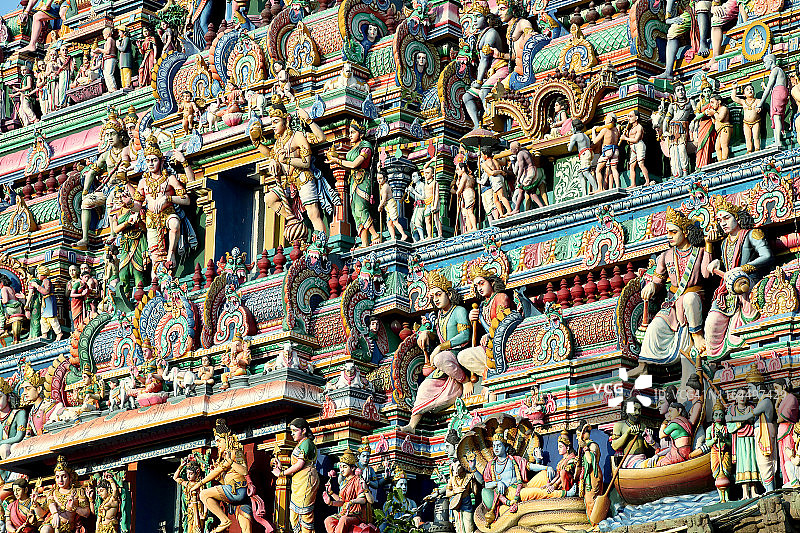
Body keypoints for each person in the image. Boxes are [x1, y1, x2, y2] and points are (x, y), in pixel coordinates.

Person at [634, 207, 710, 383]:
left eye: (673, 232)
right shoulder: (666, 256)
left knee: (689, 299)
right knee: (654, 327)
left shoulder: (699, 252)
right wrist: (652, 286)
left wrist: (708, 246)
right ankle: (644, 365)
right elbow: (658, 280)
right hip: (674, 303)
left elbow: (706, 275)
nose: (669, 236)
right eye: (668, 232)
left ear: (685, 232)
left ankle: (697, 335)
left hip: (695, 298)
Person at [400, 270, 473, 434]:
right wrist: (425, 333)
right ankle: (412, 425)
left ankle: (465, 381)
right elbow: (433, 332)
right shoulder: (439, 315)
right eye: (433, 296)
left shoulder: (459, 311)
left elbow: (465, 335)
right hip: (443, 365)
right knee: (423, 388)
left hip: (457, 357)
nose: (436, 299)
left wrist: (441, 346)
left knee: (440, 358)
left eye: (439, 294)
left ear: (449, 294)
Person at [705, 196, 772, 361]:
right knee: (711, 322)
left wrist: (743, 269)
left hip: (749, 283)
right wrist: (718, 263)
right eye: (719, 220)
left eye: (726, 218)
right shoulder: (724, 243)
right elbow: (725, 265)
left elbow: (767, 256)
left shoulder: (751, 234)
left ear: (738, 218)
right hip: (728, 290)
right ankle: (715, 359)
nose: (723, 223)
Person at [134, 136, 193, 274]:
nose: (150, 164)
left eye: (154, 160)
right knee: (155, 258)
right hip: (151, 220)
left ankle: (171, 253)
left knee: (175, 224)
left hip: (168, 213)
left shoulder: (170, 179)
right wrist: (129, 204)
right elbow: (137, 205)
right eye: (148, 160)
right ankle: (158, 281)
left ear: (161, 161)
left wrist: (168, 198)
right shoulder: (143, 183)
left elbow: (186, 200)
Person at [192, 420, 255, 533]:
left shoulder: (235, 452)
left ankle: (224, 520)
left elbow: (244, 471)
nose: (217, 444)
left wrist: (199, 484)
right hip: (236, 495)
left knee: (204, 494)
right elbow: (224, 477)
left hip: (238, 490)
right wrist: (220, 478)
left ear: (227, 439)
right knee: (246, 529)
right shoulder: (226, 457)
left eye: (219, 441)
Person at [328, 120, 381, 248]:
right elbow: (350, 166)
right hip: (353, 180)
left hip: (363, 179)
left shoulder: (366, 147)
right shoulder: (353, 148)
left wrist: (337, 161)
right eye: (349, 133)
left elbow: (354, 164)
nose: (350, 135)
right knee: (355, 212)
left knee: (361, 209)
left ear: (361, 134)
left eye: (353, 132)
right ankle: (364, 242)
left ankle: (375, 235)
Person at [727, 366, 778, 493]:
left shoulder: (764, 402)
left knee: (765, 464)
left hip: (764, 434)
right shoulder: (760, 401)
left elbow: (748, 416)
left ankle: (770, 490)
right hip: (757, 436)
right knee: (762, 464)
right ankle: (768, 490)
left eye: (750, 388)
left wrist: (731, 419)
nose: (749, 392)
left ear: (757, 387)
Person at [468, 429, 523, 526]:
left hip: (516, 491)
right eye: (494, 446)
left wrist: (545, 467)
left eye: (499, 445)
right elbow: (484, 483)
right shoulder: (491, 465)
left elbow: (529, 466)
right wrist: (473, 469)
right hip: (500, 496)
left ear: (506, 447)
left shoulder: (514, 460)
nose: (496, 448)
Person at [273, 418, 319, 533]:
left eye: (295, 431)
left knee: (305, 513)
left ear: (304, 430)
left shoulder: (306, 443)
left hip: (307, 479)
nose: (292, 434)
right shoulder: (300, 444)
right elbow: (296, 466)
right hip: (298, 481)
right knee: (294, 515)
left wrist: (281, 473)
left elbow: (299, 464)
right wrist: (281, 467)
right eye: (291, 431)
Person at [322, 449, 374, 533]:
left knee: (343, 520)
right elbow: (342, 501)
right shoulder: (344, 483)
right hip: (344, 512)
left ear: (352, 468)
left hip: (356, 514)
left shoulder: (357, 480)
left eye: (345, 467)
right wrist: (331, 499)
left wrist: (352, 502)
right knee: (328, 520)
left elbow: (363, 500)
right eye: (341, 467)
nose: (342, 470)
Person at [691, 401, 732, 502]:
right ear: (713, 417)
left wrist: (723, 439)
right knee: (717, 474)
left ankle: (727, 497)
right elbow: (708, 443)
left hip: (725, 453)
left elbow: (731, 443)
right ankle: (721, 498)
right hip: (715, 453)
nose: (718, 417)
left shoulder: (726, 428)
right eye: (716, 415)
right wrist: (715, 439)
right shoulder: (710, 429)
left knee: (726, 473)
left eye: (721, 415)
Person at [40, 456, 91, 533]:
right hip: (52, 524)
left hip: (68, 527)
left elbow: (86, 513)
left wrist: (74, 508)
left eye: (64, 476)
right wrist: (35, 504)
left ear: (70, 478)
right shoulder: (52, 492)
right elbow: (42, 514)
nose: (60, 480)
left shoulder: (78, 492)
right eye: (57, 477)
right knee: (45, 530)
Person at [727, 386, 759, 498]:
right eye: (740, 395)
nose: (742, 397)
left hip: (751, 438)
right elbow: (730, 428)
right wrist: (741, 422)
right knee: (742, 464)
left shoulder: (752, 408)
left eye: (744, 395)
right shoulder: (732, 410)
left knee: (752, 462)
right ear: (735, 397)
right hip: (739, 440)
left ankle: (754, 490)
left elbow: (755, 422)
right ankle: (745, 492)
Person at [640, 402, 693, 468]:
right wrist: (652, 442)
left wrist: (664, 423)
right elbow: (662, 447)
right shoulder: (680, 422)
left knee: (654, 464)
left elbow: (661, 436)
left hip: (678, 454)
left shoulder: (675, 423)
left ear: (679, 410)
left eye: (670, 411)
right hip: (674, 453)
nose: (669, 414)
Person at [444, 428, 477, 533]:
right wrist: (455, 491)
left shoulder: (465, 462)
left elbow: (475, 490)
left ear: (455, 446)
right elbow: (448, 489)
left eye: (448, 447)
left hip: (466, 500)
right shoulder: (452, 466)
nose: (446, 450)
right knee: (459, 526)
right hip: (455, 500)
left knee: (468, 526)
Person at [610, 400, 653, 468]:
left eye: (639, 410)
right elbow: (615, 446)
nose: (637, 413)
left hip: (643, 458)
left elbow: (647, 448)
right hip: (629, 460)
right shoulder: (619, 425)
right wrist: (627, 433)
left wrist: (648, 438)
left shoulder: (643, 426)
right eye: (634, 409)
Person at [759, 54, 789, 148]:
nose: (764, 65)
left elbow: (769, 88)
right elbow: (772, 88)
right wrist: (765, 87)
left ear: (771, 61)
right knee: (777, 116)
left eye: (765, 62)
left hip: (778, 92)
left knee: (776, 116)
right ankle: (777, 140)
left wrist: (760, 103)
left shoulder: (775, 70)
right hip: (781, 92)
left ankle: (778, 142)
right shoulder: (780, 71)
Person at [663, 82, 693, 178]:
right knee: (673, 151)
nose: (681, 92)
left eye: (682, 90)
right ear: (675, 94)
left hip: (683, 127)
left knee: (682, 149)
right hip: (673, 128)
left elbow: (697, 113)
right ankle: (676, 173)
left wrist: (694, 122)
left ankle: (685, 171)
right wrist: (664, 131)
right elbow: (667, 119)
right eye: (678, 90)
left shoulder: (690, 102)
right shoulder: (672, 105)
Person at [774, 378, 799, 486]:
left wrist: (777, 410)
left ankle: (793, 480)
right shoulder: (784, 400)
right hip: (782, 432)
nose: (776, 391)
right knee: (783, 458)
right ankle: (787, 481)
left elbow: (781, 418)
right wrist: (776, 406)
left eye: (777, 388)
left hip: (788, 430)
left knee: (789, 455)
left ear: (784, 387)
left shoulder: (791, 398)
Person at [27, 265, 63, 341]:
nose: (38, 275)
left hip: (49, 301)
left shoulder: (47, 281)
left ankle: (58, 333)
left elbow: (46, 291)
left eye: (39, 274)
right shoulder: (43, 281)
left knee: (51, 318)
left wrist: (37, 286)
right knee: (43, 319)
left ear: (43, 274)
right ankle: (44, 334)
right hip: (45, 301)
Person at [173, 457, 207, 533]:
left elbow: (204, 499)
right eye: (187, 473)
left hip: (198, 508)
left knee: (197, 529)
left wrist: (204, 513)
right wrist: (181, 466)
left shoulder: (199, 485)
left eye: (191, 474)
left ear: (197, 473)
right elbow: (175, 478)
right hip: (189, 509)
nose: (188, 476)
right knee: (189, 530)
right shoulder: (187, 484)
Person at [509, 142, 546, 211]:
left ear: (516, 149)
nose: (510, 151)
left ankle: (516, 209)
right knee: (530, 191)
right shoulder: (525, 151)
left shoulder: (520, 154)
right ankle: (541, 206)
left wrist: (518, 179)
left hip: (529, 171)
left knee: (521, 189)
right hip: (533, 170)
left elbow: (520, 167)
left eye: (511, 149)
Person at [620, 111, 650, 187]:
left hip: (639, 145)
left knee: (641, 164)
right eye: (628, 116)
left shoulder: (639, 127)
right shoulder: (631, 128)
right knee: (632, 165)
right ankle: (633, 184)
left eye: (631, 116)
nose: (629, 118)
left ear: (636, 118)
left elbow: (636, 139)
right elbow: (630, 140)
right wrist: (626, 135)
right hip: (633, 147)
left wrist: (625, 138)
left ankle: (647, 181)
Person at [568, 119, 598, 194]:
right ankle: (584, 193)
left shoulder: (575, 136)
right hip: (588, 152)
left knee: (585, 172)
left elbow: (569, 149)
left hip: (584, 154)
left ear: (574, 128)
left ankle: (596, 189)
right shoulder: (585, 135)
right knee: (580, 173)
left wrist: (570, 143)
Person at [731, 82, 762, 153]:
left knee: (756, 136)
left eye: (751, 89)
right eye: (747, 90)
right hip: (746, 123)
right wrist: (734, 88)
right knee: (748, 137)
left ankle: (757, 149)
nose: (750, 90)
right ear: (744, 94)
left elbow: (760, 104)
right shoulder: (743, 102)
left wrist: (759, 107)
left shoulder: (757, 100)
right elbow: (734, 98)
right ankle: (749, 150)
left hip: (755, 122)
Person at [376, 171, 408, 241]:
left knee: (395, 221)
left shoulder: (385, 186)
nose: (379, 180)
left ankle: (403, 234)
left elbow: (384, 199)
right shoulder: (382, 187)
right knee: (389, 223)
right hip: (387, 206)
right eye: (378, 179)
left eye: (381, 178)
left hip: (391, 204)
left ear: (385, 178)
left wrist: (380, 206)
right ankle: (393, 237)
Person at [480, 148, 511, 218]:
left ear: (485, 155)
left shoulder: (484, 164)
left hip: (495, 179)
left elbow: (491, 173)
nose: (481, 156)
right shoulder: (495, 160)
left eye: (482, 154)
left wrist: (500, 171)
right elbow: (504, 162)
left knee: (501, 196)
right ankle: (501, 214)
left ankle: (509, 211)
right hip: (498, 178)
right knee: (495, 199)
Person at [593, 114, 621, 190]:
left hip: (607, 151)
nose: (605, 120)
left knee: (598, 170)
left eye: (606, 118)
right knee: (614, 169)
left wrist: (593, 131)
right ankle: (618, 186)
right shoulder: (616, 130)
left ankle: (599, 188)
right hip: (615, 151)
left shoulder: (605, 130)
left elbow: (595, 141)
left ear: (610, 119)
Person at [0, 275, 26, 344]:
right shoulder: (11, 288)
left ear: (1, 283)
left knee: (1, 313)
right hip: (18, 308)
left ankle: (1, 328)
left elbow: (5, 300)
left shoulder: (4, 289)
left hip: (11, 309)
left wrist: (0, 301)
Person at [453, 162, 477, 233]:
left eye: (458, 169)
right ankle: (469, 228)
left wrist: (457, 190)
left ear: (463, 169)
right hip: (466, 194)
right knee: (467, 213)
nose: (457, 171)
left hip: (468, 193)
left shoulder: (464, 176)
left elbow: (460, 189)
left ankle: (474, 227)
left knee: (470, 211)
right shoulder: (465, 176)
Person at [422, 161, 441, 239]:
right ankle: (429, 235)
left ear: (432, 174)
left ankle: (440, 234)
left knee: (436, 218)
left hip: (433, 201)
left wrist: (435, 205)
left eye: (428, 173)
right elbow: (424, 167)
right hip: (427, 202)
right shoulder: (426, 181)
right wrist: (432, 160)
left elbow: (436, 195)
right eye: (425, 173)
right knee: (427, 219)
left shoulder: (435, 183)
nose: (426, 175)